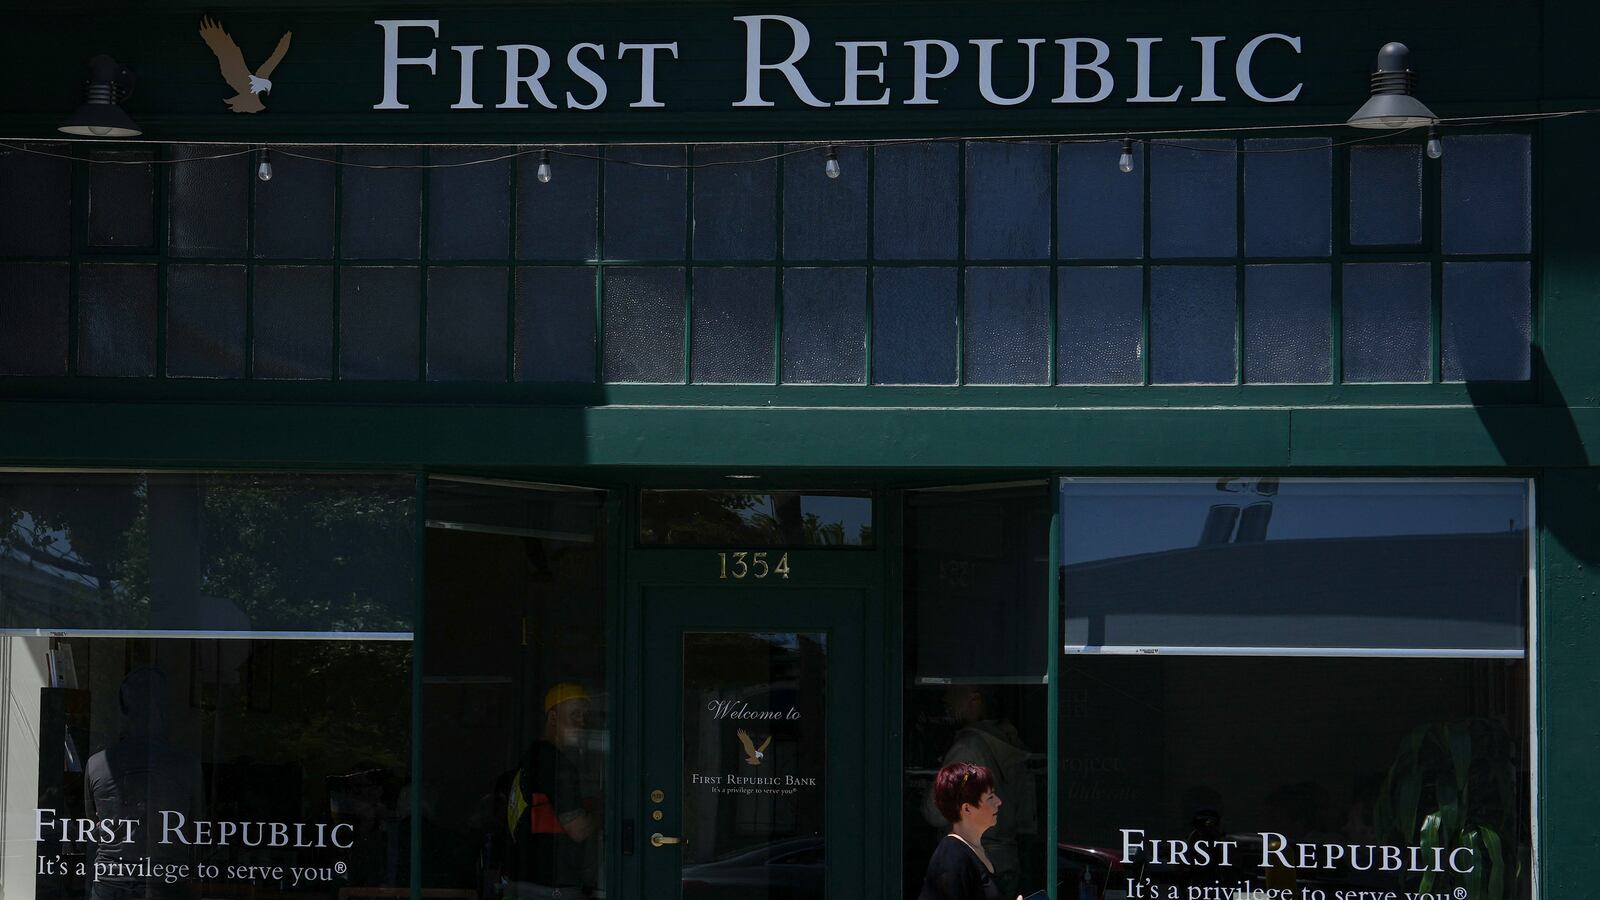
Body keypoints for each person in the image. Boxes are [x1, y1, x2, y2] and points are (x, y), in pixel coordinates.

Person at [82, 667, 203, 900]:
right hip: (165, 883)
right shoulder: (187, 765)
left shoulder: (96, 764)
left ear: (123, 709)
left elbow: (93, 831)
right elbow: (198, 832)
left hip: (111, 884)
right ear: (163, 709)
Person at [924, 686, 1036, 899]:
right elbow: (1026, 814)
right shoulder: (1009, 746)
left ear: (975, 700)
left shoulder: (968, 749)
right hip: (1006, 858)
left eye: (953, 691)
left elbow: (935, 812)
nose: (946, 698)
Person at [503, 683, 600, 899]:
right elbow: (579, 830)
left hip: (525, 885)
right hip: (550, 890)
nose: (582, 723)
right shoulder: (555, 764)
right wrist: (605, 811)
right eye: (575, 715)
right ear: (553, 718)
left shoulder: (532, 756)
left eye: (585, 716)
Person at [919, 762, 1024, 900]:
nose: (999, 801)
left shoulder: (974, 849)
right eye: (990, 797)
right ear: (967, 809)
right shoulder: (952, 856)